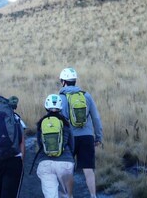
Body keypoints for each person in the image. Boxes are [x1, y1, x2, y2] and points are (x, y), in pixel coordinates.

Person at [58, 68, 103, 198]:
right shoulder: (86, 96)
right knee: (88, 169)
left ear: (63, 82)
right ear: (75, 80)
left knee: (68, 169)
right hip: (87, 137)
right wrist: (98, 136)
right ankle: (93, 196)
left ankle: (69, 195)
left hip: (69, 139)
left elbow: (60, 121)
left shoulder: (61, 98)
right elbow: (96, 118)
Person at [35, 94, 75, 198]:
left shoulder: (41, 123)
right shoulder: (66, 123)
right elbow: (72, 143)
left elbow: (40, 143)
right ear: (60, 107)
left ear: (46, 107)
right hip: (65, 162)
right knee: (68, 194)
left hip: (46, 163)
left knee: (51, 195)